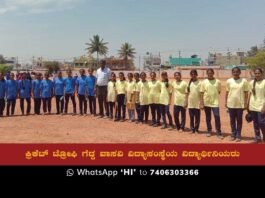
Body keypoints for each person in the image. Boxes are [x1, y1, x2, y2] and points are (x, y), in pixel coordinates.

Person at [225, 67, 249, 142]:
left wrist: (245, 103)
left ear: (240, 73)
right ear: (232, 73)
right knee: (232, 120)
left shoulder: (244, 81)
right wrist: (226, 102)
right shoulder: (229, 81)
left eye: (237, 72)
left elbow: (246, 93)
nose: (235, 73)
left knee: (239, 120)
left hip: (240, 105)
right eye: (234, 72)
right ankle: (233, 134)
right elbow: (227, 92)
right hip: (231, 104)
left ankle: (238, 135)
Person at [200, 69, 223, 139]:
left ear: (213, 73)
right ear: (207, 74)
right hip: (206, 102)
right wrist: (202, 103)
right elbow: (201, 93)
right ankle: (209, 131)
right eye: (208, 73)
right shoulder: (204, 82)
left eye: (211, 73)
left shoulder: (218, 82)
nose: (210, 74)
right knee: (208, 117)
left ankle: (218, 132)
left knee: (217, 117)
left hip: (215, 103)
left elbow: (219, 91)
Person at [248, 68, 265, 143]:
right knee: (255, 123)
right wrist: (248, 105)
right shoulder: (251, 82)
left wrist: (264, 106)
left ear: (262, 74)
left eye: (258, 73)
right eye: (256, 73)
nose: (257, 75)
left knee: (262, 122)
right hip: (253, 105)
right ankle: (257, 137)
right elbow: (250, 94)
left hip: (261, 106)